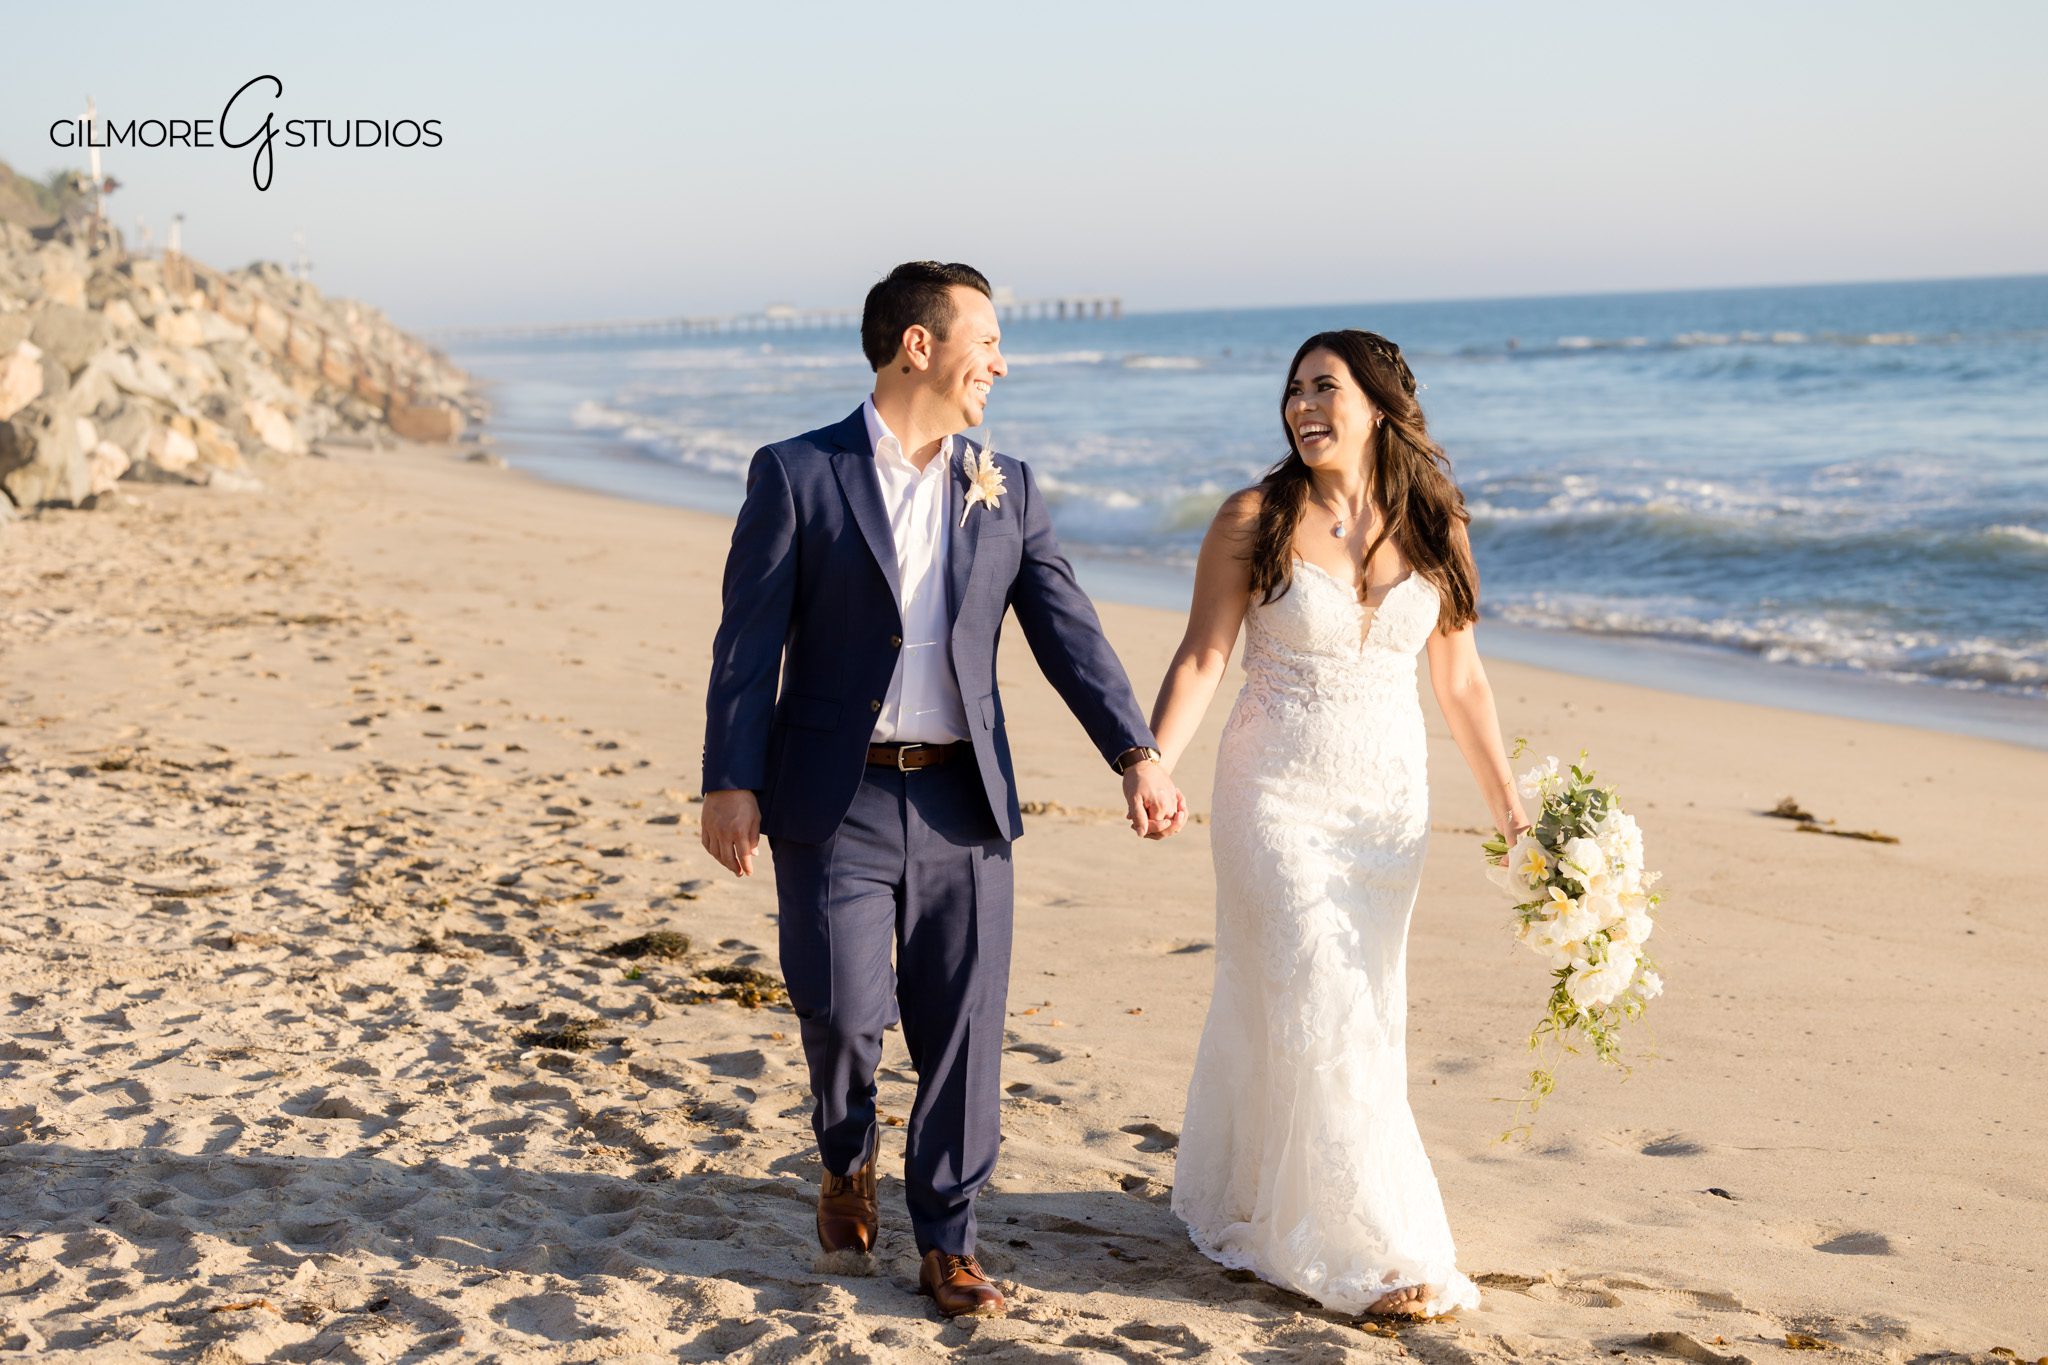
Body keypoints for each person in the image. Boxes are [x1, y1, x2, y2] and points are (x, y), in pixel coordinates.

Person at [699, 261, 1183, 1318]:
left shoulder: (1005, 482)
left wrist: (1133, 751)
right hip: (836, 797)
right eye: (988, 339)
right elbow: (746, 647)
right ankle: (844, 1152)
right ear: (919, 346)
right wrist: (728, 781)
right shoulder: (797, 473)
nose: (1000, 363)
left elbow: (1066, 629)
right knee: (836, 1008)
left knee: (962, 1024)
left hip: (965, 798)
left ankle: (949, 1242)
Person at [1147, 330, 1529, 1319]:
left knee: (1359, 1003)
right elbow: (1201, 656)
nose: (1301, 405)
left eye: (1324, 387)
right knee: (1317, 982)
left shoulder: (1436, 517)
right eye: (1292, 390)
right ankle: (1376, 1249)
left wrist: (1506, 805)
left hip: (1387, 805)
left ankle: (1260, 1194)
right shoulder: (1252, 516)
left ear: (1378, 406)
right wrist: (1150, 761)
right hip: (1272, 791)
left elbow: (1460, 680)